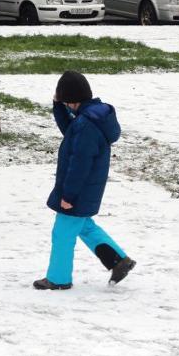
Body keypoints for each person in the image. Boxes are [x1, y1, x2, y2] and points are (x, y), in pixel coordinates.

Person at [34, 71, 135, 291]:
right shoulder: (89, 118)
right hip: (88, 187)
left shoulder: (86, 125)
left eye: (65, 102)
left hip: (79, 189)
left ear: (72, 101)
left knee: (62, 233)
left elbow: (79, 163)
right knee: (84, 226)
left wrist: (69, 196)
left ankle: (58, 278)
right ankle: (119, 261)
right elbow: (70, 132)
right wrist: (58, 106)